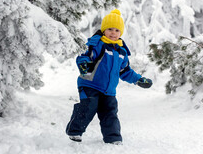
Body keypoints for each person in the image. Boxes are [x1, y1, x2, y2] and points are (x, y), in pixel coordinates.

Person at [65, 9, 153, 145]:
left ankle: (113, 138)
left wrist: (138, 79)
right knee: (89, 106)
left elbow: (125, 71)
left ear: (121, 32)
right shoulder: (96, 44)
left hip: (109, 90)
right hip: (90, 84)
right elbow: (83, 56)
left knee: (110, 112)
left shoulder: (122, 51)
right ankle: (75, 131)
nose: (113, 33)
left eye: (117, 30)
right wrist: (83, 65)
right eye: (110, 29)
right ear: (104, 30)